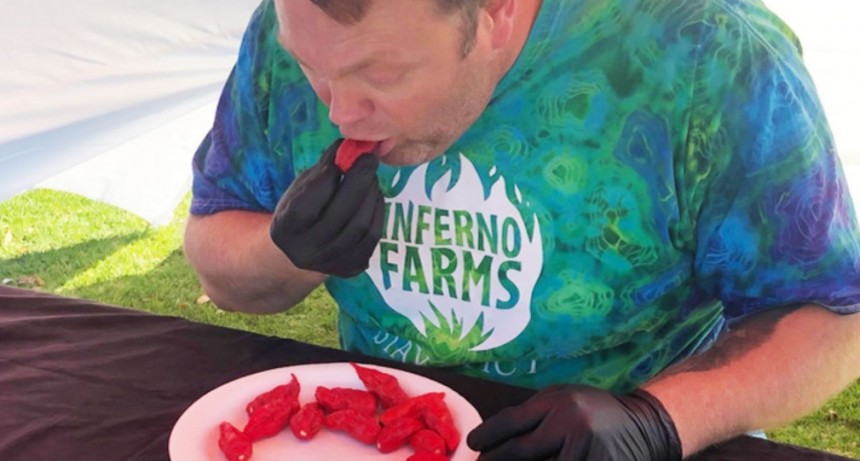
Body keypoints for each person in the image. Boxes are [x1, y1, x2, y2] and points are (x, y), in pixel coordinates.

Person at [183, 0, 860, 459]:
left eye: (379, 73)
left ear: (496, 12)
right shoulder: (296, 25)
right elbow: (216, 260)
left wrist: (658, 419)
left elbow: (833, 320)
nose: (340, 112)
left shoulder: (706, 53)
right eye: (311, 69)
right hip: (387, 437)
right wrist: (287, 252)